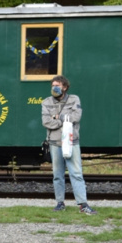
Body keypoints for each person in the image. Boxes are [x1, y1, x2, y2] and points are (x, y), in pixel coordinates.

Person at [41, 75, 97, 215]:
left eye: (58, 85)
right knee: (57, 175)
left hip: (71, 142)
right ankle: (60, 203)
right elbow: (46, 122)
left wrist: (57, 117)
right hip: (54, 143)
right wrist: (64, 120)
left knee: (76, 173)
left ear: (65, 87)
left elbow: (76, 117)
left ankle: (83, 205)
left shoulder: (74, 99)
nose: (55, 88)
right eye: (53, 85)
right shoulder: (46, 102)